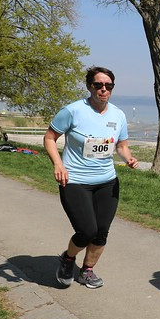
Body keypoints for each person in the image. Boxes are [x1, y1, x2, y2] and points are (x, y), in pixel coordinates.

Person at [43, 67, 138, 289]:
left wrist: (128, 158)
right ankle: (67, 258)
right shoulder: (73, 111)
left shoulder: (118, 115)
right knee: (87, 231)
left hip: (107, 182)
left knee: (101, 232)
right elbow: (49, 138)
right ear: (89, 87)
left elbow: (121, 145)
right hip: (75, 181)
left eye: (108, 86)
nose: (103, 90)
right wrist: (58, 164)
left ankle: (87, 270)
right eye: (98, 85)